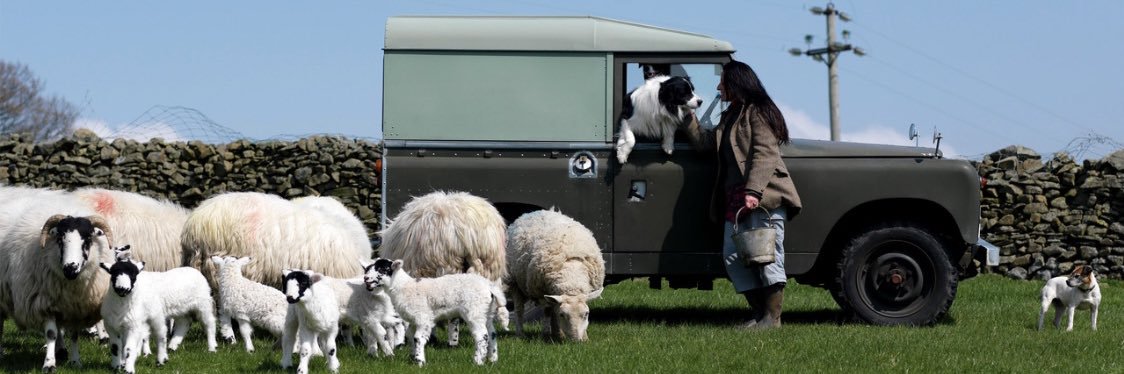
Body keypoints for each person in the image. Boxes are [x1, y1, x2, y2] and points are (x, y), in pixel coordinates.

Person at [681, 60, 802, 329]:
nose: (717, 86)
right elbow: (705, 144)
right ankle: (760, 315)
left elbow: (765, 153)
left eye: (722, 81)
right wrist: (684, 115)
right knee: (733, 257)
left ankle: (773, 319)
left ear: (736, 82)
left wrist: (753, 191)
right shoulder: (730, 114)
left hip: (762, 197)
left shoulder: (758, 112)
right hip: (735, 198)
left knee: (766, 256)